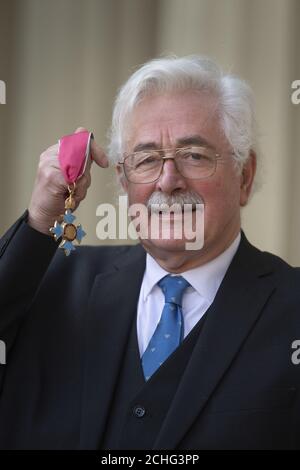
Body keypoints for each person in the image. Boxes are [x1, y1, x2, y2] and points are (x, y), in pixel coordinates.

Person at [0, 55, 299, 450]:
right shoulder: (53, 286)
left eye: (194, 155)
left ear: (244, 177)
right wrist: (40, 221)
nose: (168, 180)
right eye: (145, 160)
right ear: (123, 181)